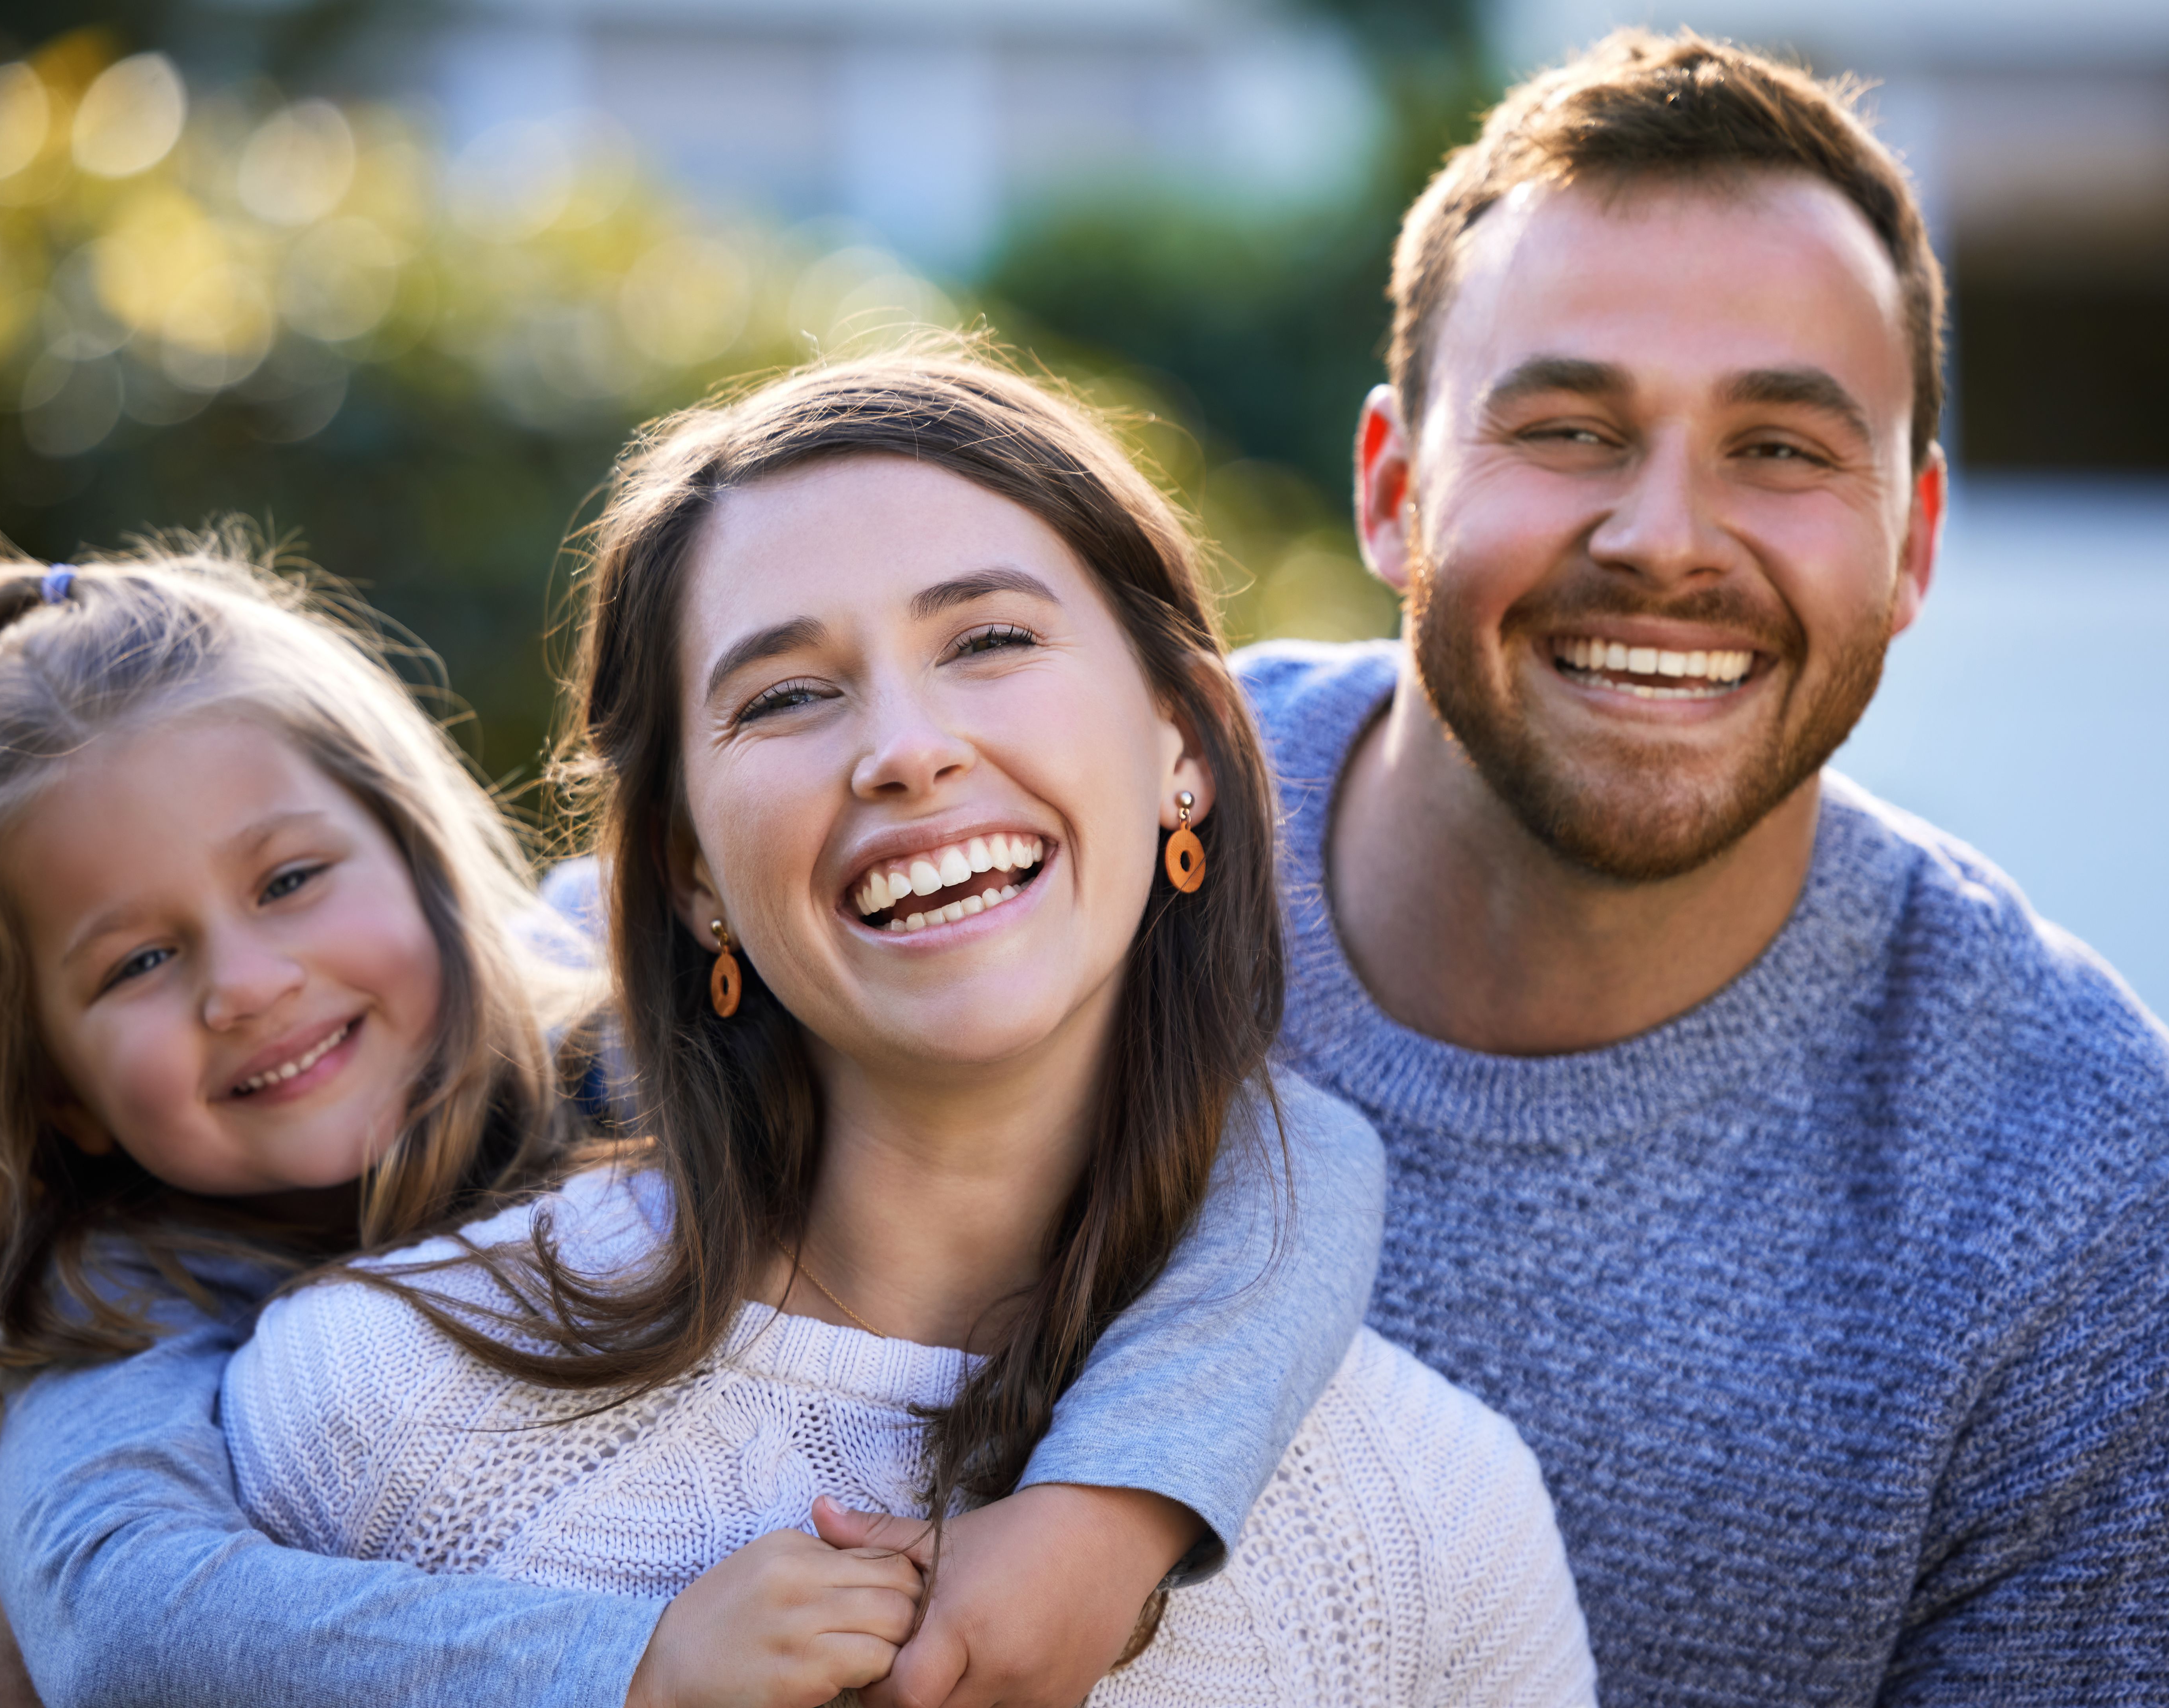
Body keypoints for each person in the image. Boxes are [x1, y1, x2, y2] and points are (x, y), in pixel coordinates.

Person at [0, 528, 1381, 1706]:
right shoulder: (105, 1311)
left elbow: (1298, 1153)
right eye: (136, 962)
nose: (249, 985)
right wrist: (635, 1665)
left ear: (415, 853)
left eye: (292, 879)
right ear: (47, 1087)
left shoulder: (621, 1045)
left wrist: (1104, 1518)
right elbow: (114, 1621)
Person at [213, 348, 1597, 1705]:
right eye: (785, 696)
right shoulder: (367, 1407)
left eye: (990, 641)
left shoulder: (1436, 1527)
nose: (906, 751)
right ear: (693, 873)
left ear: (1180, 744)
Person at [1216, 29, 2169, 1701]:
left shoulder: (2077, 1186)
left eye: (1780, 449)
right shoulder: (1089, 847)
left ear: (1911, 546)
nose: (1661, 538)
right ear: (1391, 489)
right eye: (1570, 427)